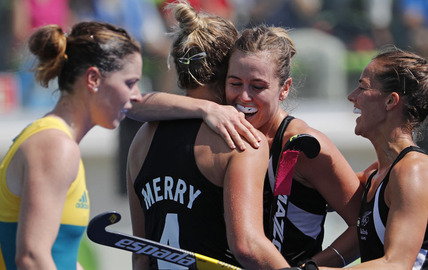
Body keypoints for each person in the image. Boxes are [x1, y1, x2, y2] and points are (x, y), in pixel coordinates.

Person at [128, 24, 364, 268]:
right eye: (235, 83)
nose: (244, 97)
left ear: (284, 88)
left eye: (258, 86)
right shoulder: (228, 139)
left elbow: (364, 227)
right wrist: (207, 107)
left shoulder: (305, 146)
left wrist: (312, 267)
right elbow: (132, 104)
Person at [126, 2, 289, 269]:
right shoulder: (241, 140)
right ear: (230, 68)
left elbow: (141, 254)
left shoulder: (142, 140)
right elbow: (247, 246)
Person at [0, 21, 143, 269]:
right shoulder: (55, 147)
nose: (137, 95)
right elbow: (32, 258)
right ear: (93, 79)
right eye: (130, 83)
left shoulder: (53, 140)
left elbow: (57, 255)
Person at [319, 47, 428, 269]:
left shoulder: (415, 171)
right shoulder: (375, 174)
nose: (351, 96)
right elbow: (315, 191)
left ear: (391, 101)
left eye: (362, 87)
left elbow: (396, 264)